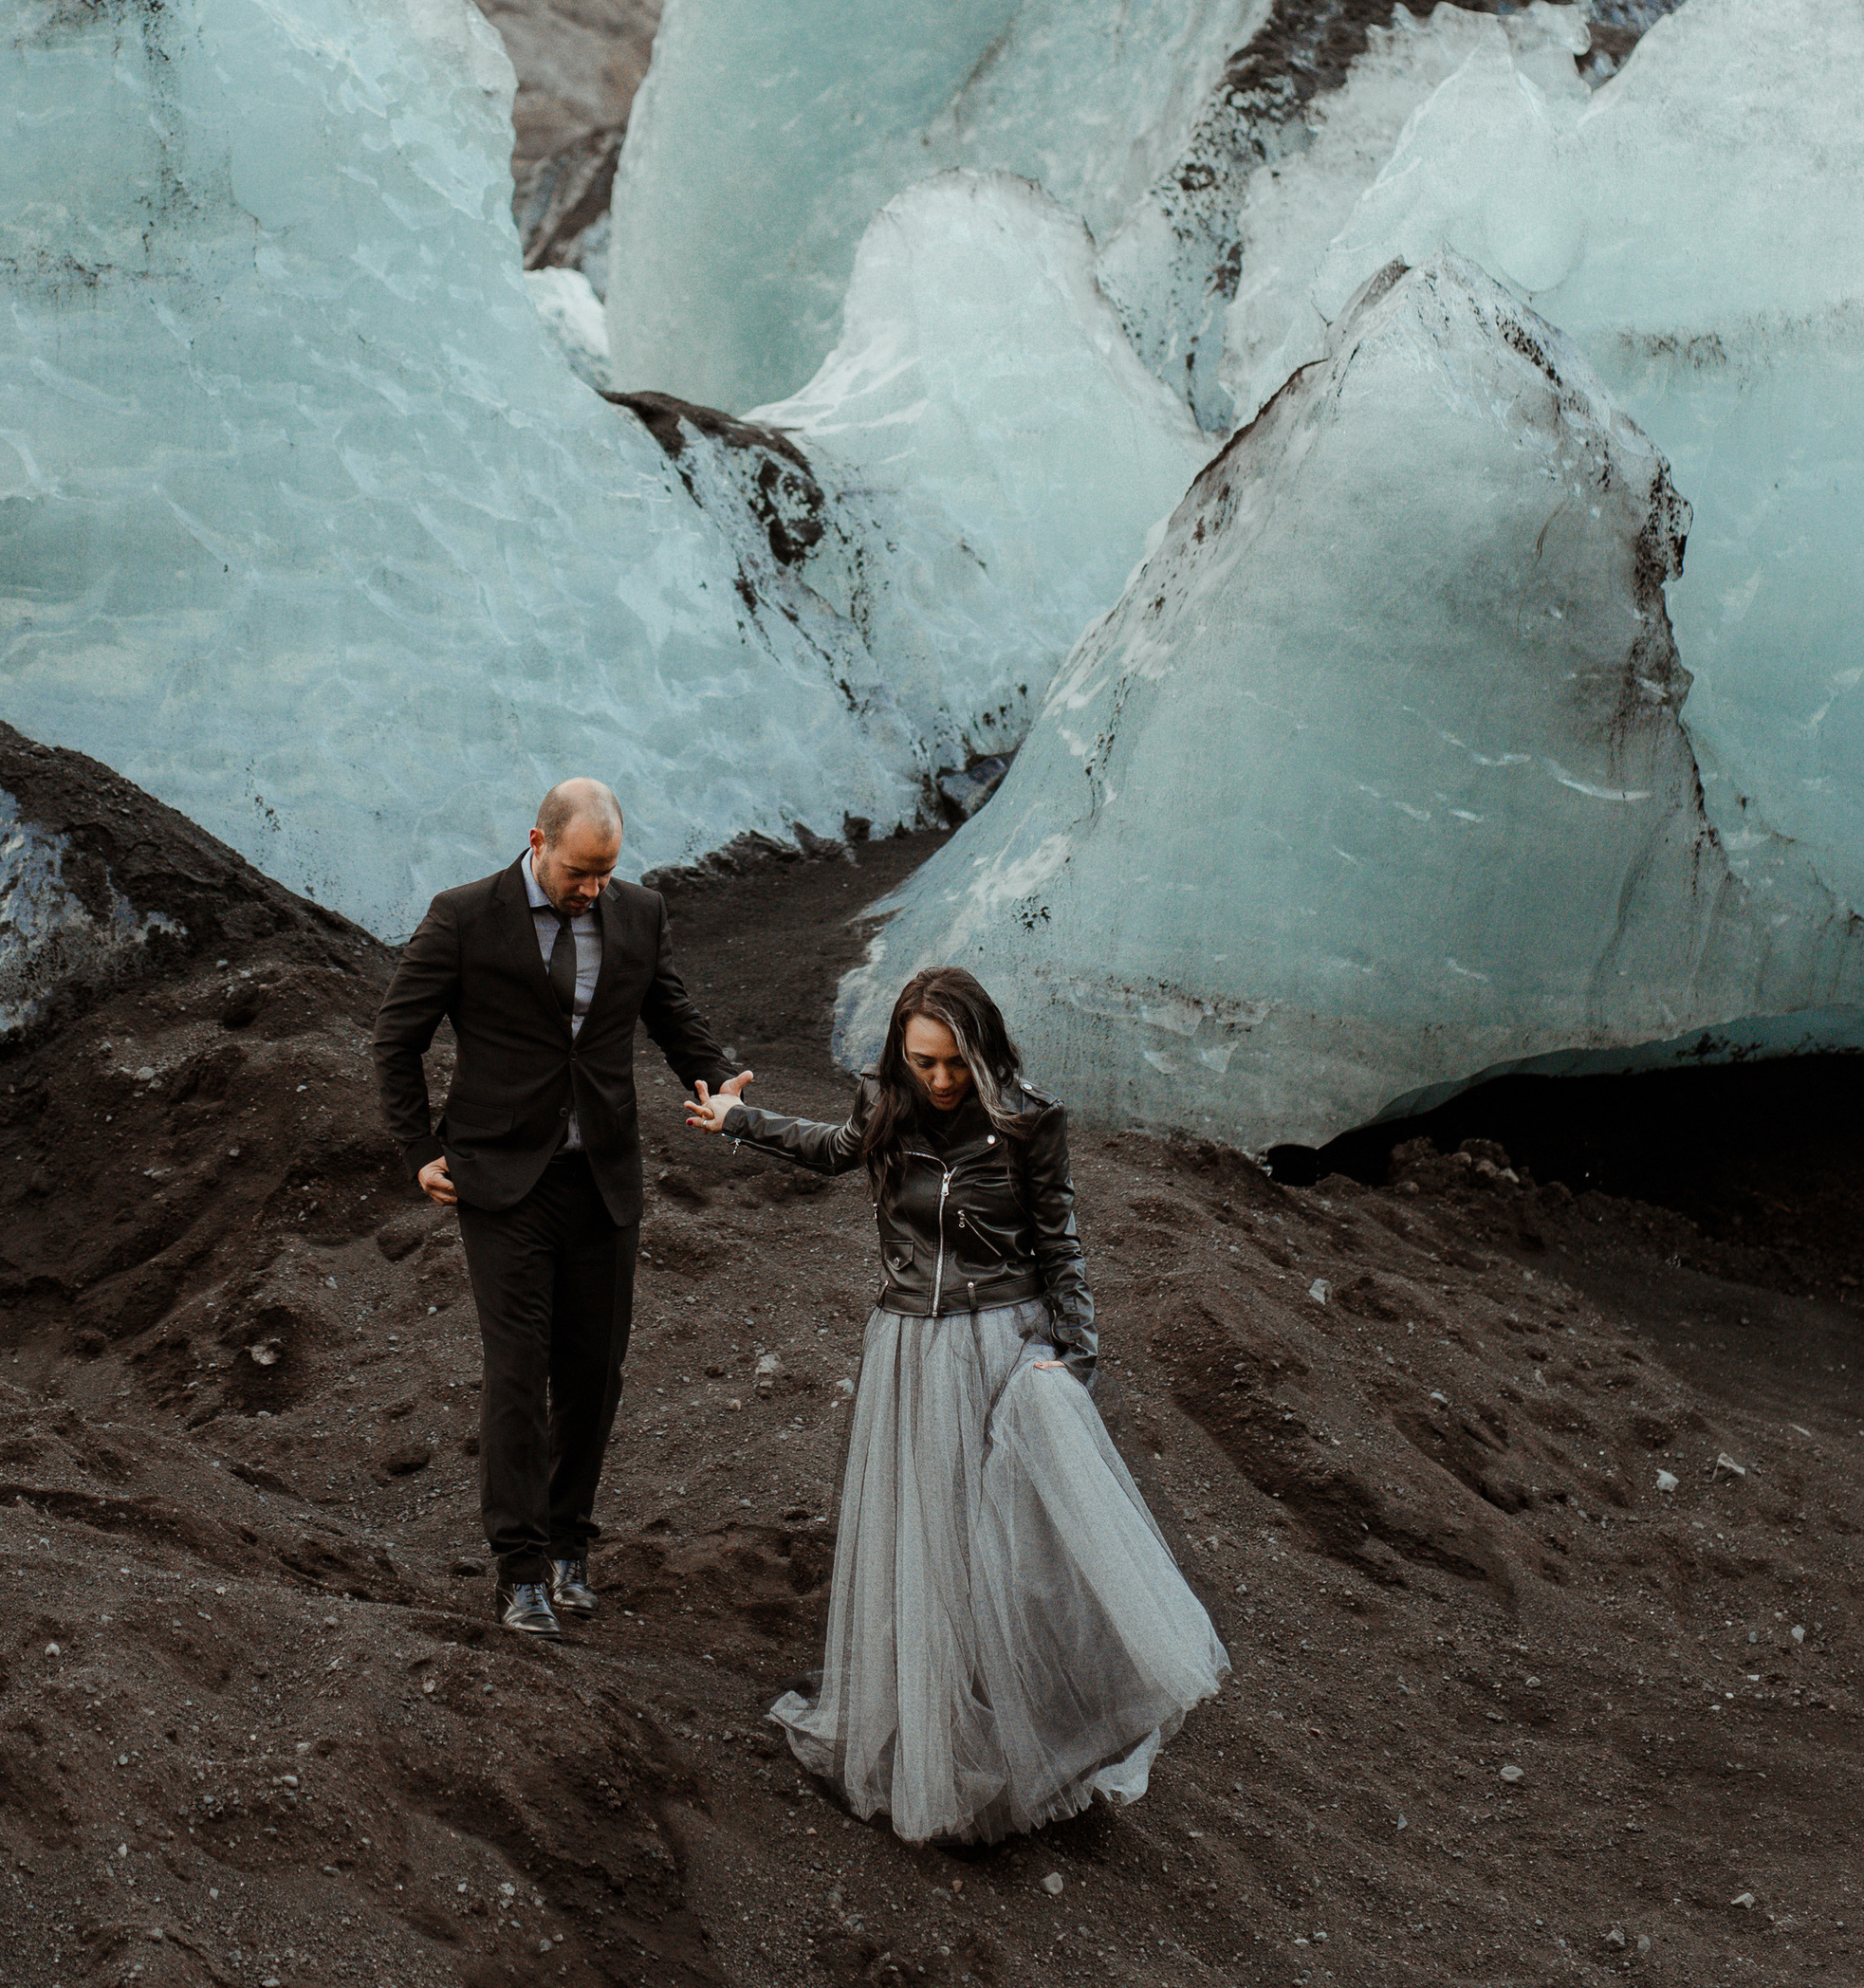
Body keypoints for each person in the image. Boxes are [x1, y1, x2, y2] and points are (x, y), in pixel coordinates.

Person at [685, 965, 1227, 1845]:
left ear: (984, 1049)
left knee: (1011, 1546)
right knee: (928, 1544)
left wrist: (1076, 1360)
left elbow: (1060, 1243)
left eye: (954, 1063)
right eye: (923, 1061)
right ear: (901, 1053)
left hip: (1007, 1345)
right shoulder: (883, 1102)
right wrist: (737, 1119)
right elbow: (832, 1150)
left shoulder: (1028, 1120)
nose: (940, 1079)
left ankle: (1047, 1735)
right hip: (910, 1352)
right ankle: (942, 1740)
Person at [372, 779, 736, 1640]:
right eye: (580, 872)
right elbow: (396, 1037)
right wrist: (418, 1148)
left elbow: (669, 1012)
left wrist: (719, 1079)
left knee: (593, 1374)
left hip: (602, 1178)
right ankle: (521, 1570)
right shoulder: (463, 916)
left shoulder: (640, 913)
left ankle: (571, 1549)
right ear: (538, 841)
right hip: (501, 1182)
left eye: (607, 873)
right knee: (517, 1372)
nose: (593, 889)